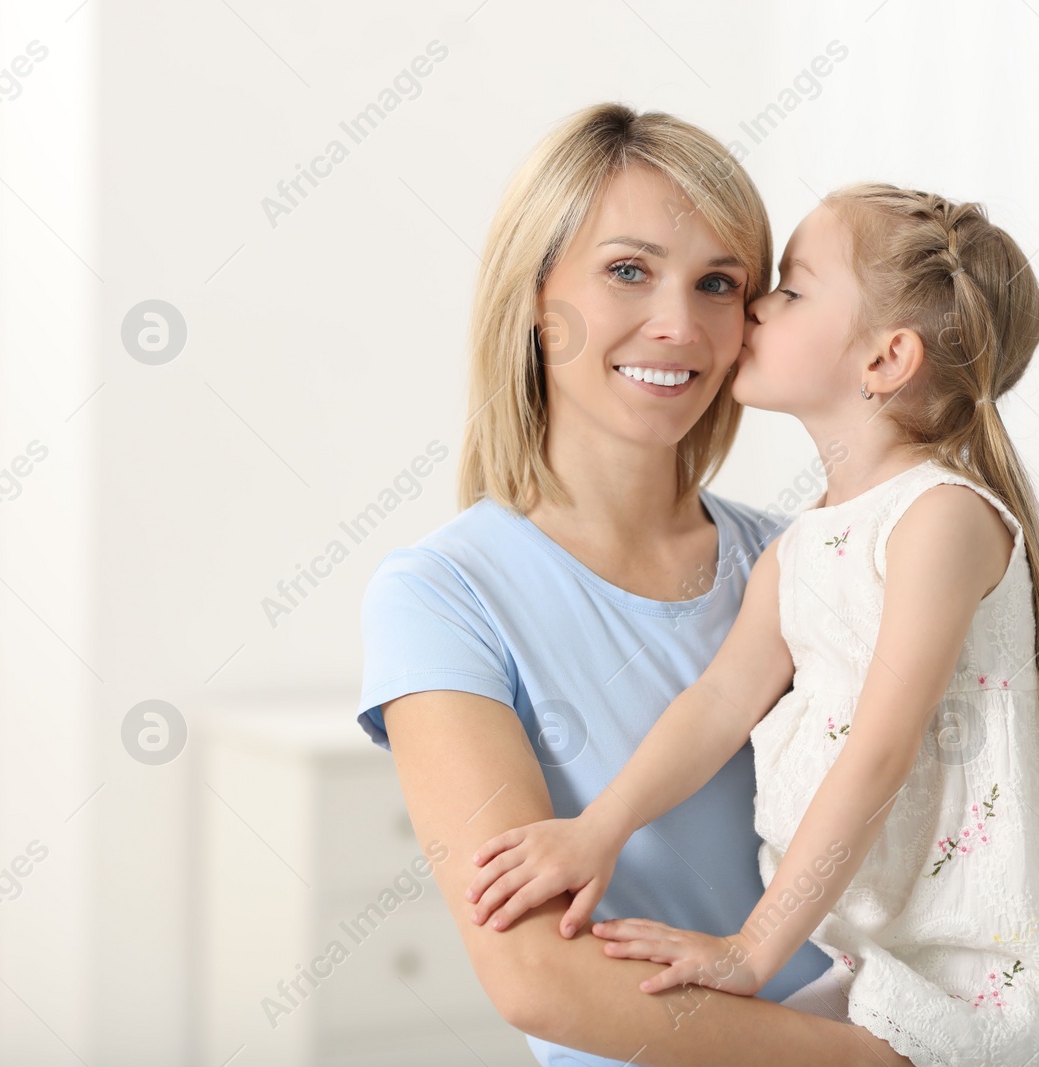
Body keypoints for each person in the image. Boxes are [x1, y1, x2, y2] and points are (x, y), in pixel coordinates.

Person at [464, 183, 1039, 1066]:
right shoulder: (801, 544)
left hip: (974, 963)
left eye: (789, 290)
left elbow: (881, 748)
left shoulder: (939, 518)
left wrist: (752, 948)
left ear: (885, 359)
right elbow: (719, 702)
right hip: (872, 957)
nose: (753, 307)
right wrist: (595, 831)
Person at [357, 105, 913, 1065]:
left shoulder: (810, 559)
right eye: (628, 270)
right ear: (536, 296)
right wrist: (871, 1059)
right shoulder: (441, 595)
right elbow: (539, 979)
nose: (679, 323)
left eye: (719, 284)